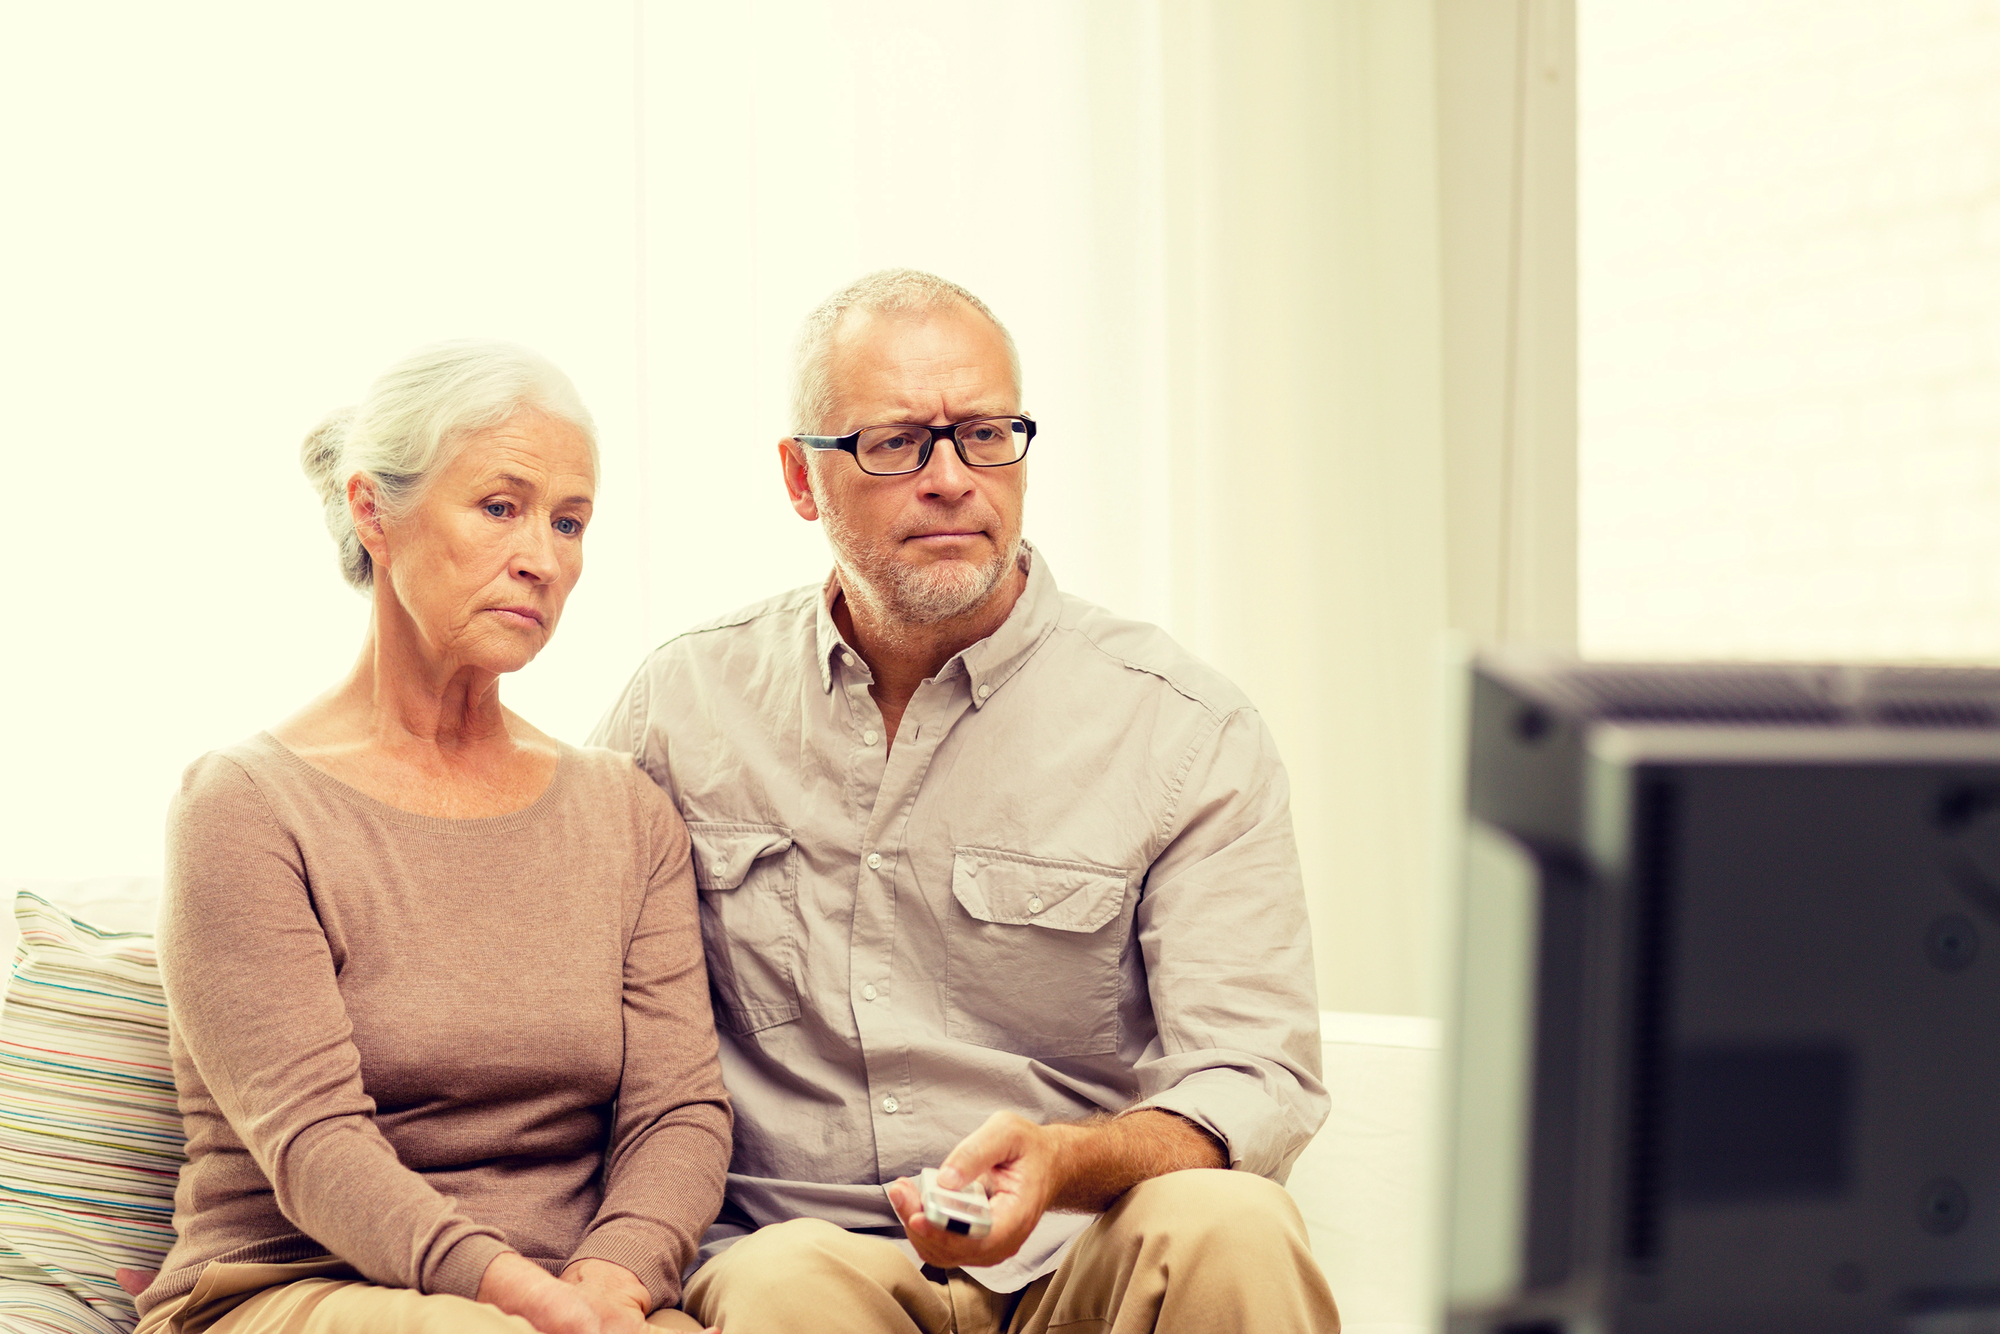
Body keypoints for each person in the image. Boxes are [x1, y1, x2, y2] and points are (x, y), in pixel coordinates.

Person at [591, 271, 1339, 1332]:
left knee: (1230, 1220)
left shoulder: (1183, 727)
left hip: (1075, 1251)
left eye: (986, 434)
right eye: (895, 442)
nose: (950, 477)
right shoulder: (679, 709)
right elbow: (570, 1010)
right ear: (802, 479)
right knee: (779, 1284)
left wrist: (1066, 1160)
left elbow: (1252, 1071)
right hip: (807, 1255)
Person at [137, 342, 731, 1334]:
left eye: (569, 521)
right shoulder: (244, 804)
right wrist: (534, 1302)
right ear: (373, 510)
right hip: (294, 1287)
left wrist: (613, 1280)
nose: (542, 556)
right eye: (501, 506)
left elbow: (679, 1112)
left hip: (573, 1299)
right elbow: (315, 1140)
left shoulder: (625, 812)